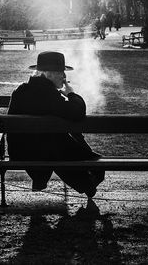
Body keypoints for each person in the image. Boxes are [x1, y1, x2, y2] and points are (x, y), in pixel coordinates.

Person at [7, 51, 105, 198]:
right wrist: (71, 94)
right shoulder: (48, 95)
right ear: (49, 74)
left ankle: (85, 184)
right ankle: (87, 183)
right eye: (61, 73)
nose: (64, 77)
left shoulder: (20, 91)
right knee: (60, 147)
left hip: (20, 152)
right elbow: (77, 112)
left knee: (55, 143)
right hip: (40, 153)